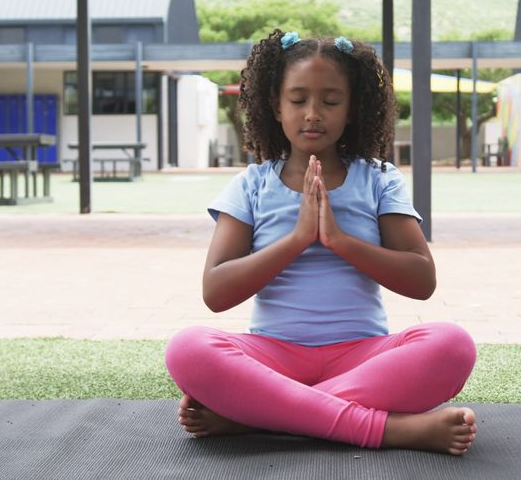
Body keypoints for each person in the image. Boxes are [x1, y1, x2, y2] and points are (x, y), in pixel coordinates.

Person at [164, 29, 478, 455]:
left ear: (351, 110)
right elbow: (215, 292)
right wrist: (297, 239)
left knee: (452, 345)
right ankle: (391, 430)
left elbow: (422, 280)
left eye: (330, 101)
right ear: (275, 106)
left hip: (363, 357)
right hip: (273, 359)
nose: (313, 113)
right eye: (298, 100)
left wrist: (339, 240)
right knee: (189, 350)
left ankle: (262, 416)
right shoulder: (251, 185)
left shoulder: (379, 179)